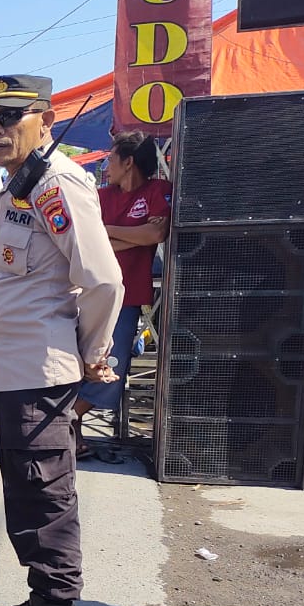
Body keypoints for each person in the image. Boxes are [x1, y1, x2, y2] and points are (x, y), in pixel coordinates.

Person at [0, 74, 122, 606]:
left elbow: (103, 280)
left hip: (40, 371)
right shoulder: (18, 191)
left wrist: (92, 354)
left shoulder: (58, 186)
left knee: (45, 497)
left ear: (44, 122)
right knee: (27, 492)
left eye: (11, 116)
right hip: (14, 370)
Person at [73, 131, 171, 454]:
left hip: (128, 299)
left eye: (111, 159)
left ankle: (68, 419)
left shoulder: (158, 191)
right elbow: (85, 241)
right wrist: (135, 237)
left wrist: (108, 233)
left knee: (112, 364)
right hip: (87, 295)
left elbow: (157, 232)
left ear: (128, 163)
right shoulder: (100, 197)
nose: (106, 165)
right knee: (77, 361)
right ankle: (69, 425)